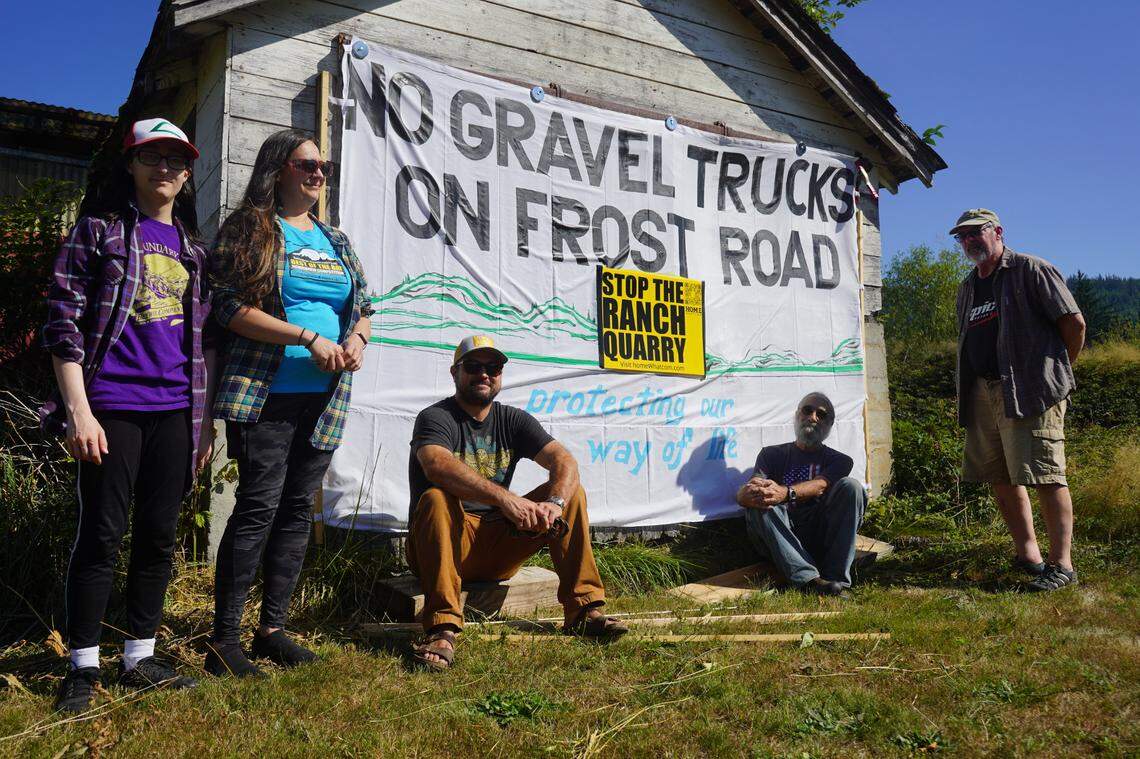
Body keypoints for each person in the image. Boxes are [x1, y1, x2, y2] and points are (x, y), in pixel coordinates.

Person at [41, 118, 215, 713]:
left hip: (174, 414)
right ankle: (82, 666)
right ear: (132, 165)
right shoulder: (100, 232)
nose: (164, 168)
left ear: (188, 173)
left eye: (175, 159)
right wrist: (77, 412)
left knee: (160, 536)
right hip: (110, 406)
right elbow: (62, 324)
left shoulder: (194, 250)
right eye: (152, 157)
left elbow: (204, 344)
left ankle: (141, 655)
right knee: (101, 534)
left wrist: (204, 423)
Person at [206, 128, 373, 677]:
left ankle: (272, 629)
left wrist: (355, 339)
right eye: (307, 165)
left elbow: (365, 305)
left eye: (323, 166)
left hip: (325, 399)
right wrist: (306, 338)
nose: (318, 173)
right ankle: (223, 640)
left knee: (297, 511)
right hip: (266, 394)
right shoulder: (252, 229)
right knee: (257, 508)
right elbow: (229, 309)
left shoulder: (336, 239)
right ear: (278, 169)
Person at [407, 335, 626, 670]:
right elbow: (437, 464)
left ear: (500, 375)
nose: (484, 374)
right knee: (436, 498)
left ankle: (584, 610)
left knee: (572, 494)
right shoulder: (435, 417)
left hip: (495, 546)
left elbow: (564, 460)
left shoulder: (514, 420)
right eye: (474, 367)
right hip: (444, 543)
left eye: (493, 367)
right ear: (455, 373)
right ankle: (442, 629)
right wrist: (506, 499)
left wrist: (553, 503)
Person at [951, 209, 1085, 591]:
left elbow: (1074, 325)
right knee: (1001, 475)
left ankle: (1063, 565)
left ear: (998, 232)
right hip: (982, 392)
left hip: (1029, 390)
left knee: (1045, 473)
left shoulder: (1031, 270)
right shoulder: (968, 286)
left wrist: (1052, 374)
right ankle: (1029, 556)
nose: (968, 241)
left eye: (976, 232)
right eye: (961, 236)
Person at [738, 393, 865, 596]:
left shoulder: (840, 460)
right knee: (761, 504)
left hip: (818, 536)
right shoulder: (770, 454)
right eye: (807, 410)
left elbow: (820, 485)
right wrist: (744, 495)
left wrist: (785, 493)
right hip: (781, 537)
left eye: (821, 415)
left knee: (852, 487)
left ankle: (835, 579)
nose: (813, 417)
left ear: (830, 425)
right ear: (797, 415)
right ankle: (808, 580)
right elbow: (751, 490)